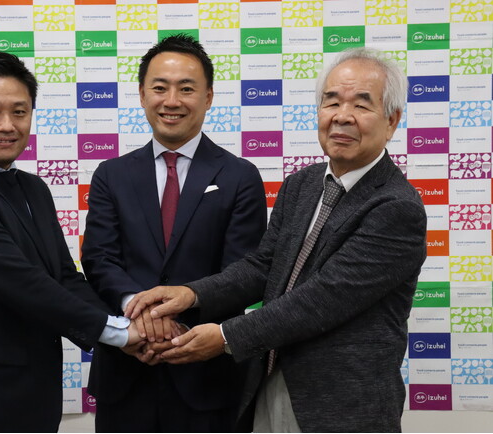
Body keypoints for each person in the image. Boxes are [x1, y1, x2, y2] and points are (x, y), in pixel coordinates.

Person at [126, 47, 428, 432]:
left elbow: (320, 300)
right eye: (331, 101)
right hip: (268, 384)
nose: (342, 116)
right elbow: (263, 266)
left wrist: (224, 336)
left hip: (342, 406)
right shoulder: (302, 185)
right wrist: (191, 294)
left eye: (361, 104)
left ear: (392, 120)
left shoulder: (396, 207)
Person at [0, 50, 141, 433]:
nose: (7, 125)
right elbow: (23, 284)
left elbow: (63, 278)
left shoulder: (33, 188)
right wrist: (119, 333)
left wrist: (129, 319)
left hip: (35, 400)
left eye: (19, 112)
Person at [81, 34, 267, 432]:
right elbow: (99, 259)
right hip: (126, 371)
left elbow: (247, 272)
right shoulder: (111, 175)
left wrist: (179, 319)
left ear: (208, 97)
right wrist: (141, 313)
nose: (172, 101)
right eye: (160, 87)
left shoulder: (240, 176)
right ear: (142, 94)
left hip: (209, 377)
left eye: (186, 89)